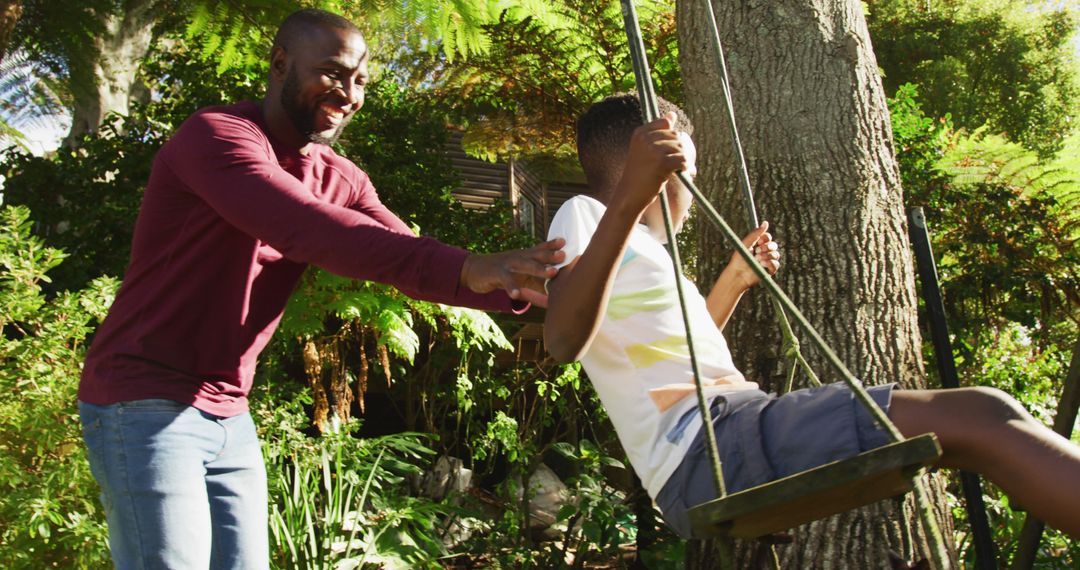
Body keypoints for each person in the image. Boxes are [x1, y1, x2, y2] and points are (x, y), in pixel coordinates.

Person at [77, 8, 564, 569]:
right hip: (143, 398)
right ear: (280, 64)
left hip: (230, 414)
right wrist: (472, 267)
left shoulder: (343, 177)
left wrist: (521, 288)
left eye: (360, 81)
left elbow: (406, 256)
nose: (350, 94)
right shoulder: (216, 137)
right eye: (333, 73)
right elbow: (304, 225)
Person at [543, 93, 1080, 540]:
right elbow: (564, 338)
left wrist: (734, 280)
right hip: (712, 447)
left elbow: (679, 356)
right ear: (662, 170)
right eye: (693, 175)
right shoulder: (587, 215)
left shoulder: (642, 251)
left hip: (721, 438)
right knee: (985, 414)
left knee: (974, 430)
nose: (695, 193)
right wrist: (631, 198)